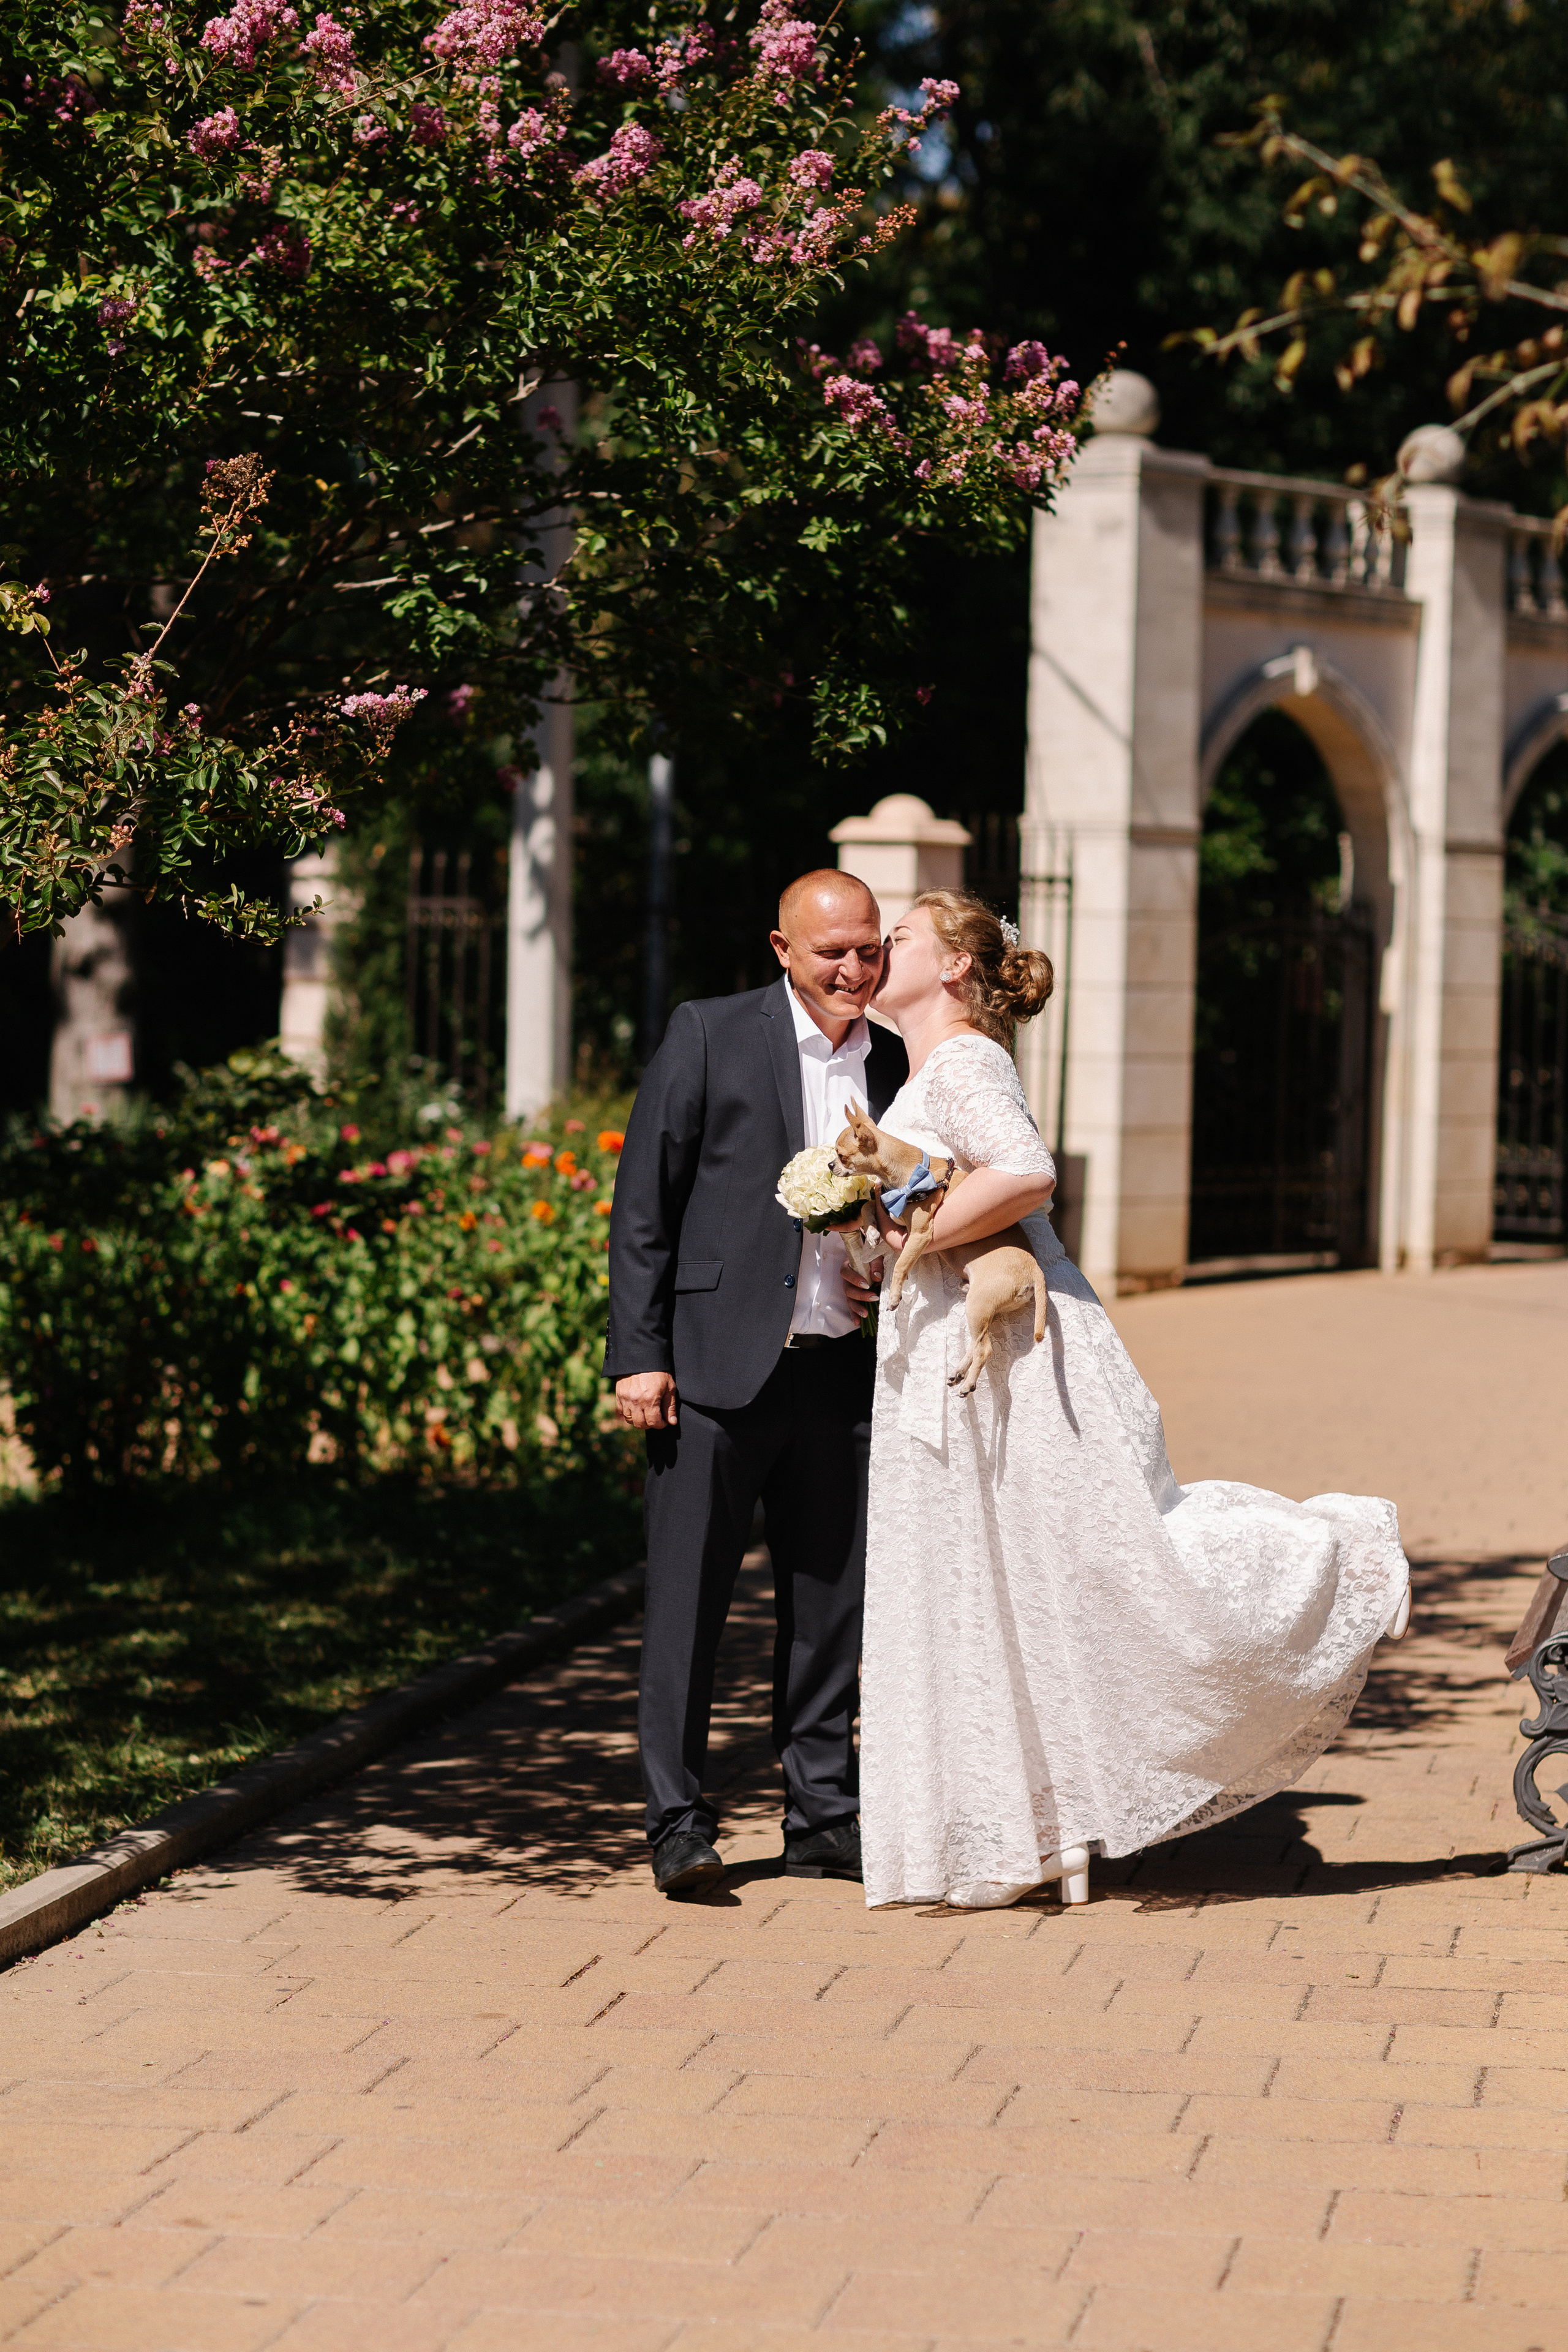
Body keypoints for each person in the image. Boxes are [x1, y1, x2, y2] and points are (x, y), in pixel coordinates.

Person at [859, 888, 1411, 1911]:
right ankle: (1019, 1831)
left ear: (955, 970)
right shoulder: (927, 1067)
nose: (875, 950)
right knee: (1002, 1585)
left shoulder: (969, 1061)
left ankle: (1343, 1553)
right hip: (964, 1347)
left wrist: (916, 1234)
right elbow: (937, 1191)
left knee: (1115, 1568)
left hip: (1028, 1358)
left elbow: (1025, 1173)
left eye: (898, 938)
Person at [606, 869, 909, 1896]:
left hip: (841, 1377)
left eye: (868, 949)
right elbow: (645, 1201)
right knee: (689, 1606)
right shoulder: (710, 1033)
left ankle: (824, 1816)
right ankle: (678, 1822)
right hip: (714, 1376)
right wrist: (639, 1353)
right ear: (783, 950)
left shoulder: (898, 1058)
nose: (854, 970)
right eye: (832, 953)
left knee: (830, 1611)